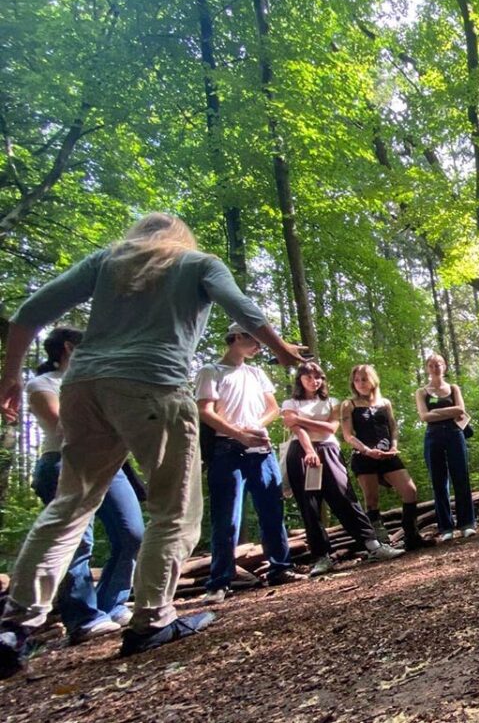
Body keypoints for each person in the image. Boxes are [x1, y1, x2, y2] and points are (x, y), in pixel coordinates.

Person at [0, 213, 306, 675]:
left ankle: (14, 625)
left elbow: (28, 314)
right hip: (152, 385)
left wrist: (10, 377)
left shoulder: (108, 262)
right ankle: (152, 620)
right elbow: (244, 309)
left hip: (83, 388)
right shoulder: (198, 262)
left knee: (70, 504)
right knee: (175, 509)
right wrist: (281, 350)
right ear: (182, 237)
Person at [24, 327, 144, 644]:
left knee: (132, 532)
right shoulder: (42, 384)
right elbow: (63, 427)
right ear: (68, 348)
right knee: (77, 541)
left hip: (111, 464)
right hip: (64, 463)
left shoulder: (99, 384)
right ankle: (82, 617)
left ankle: (112, 603)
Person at [196, 324, 302, 605]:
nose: (259, 347)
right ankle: (219, 582)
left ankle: (281, 567)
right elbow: (205, 411)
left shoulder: (256, 372)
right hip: (226, 451)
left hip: (261, 449)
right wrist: (238, 433)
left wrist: (255, 427)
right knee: (226, 517)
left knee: (271, 509)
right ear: (238, 337)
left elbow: (272, 408)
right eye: (256, 341)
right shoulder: (211, 371)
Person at [282, 362, 404, 576]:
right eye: (308, 377)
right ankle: (321, 557)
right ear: (300, 379)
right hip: (301, 453)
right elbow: (297, 430)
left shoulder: (332, 402)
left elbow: (331, 428)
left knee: (345, 497)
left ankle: (373, 545)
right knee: (309, 504)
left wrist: (300, 419)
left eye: (317, 377)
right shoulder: (289, 402)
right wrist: (309, 450)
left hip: (329, 450)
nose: (314, 381)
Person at [340, 364, 432, 549]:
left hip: (388, 455)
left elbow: (393, 427)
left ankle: (411, 535)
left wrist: (394, 445)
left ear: (373, 380)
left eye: (364, 379)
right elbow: (348, 435)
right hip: (364, 456)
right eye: (356, 380)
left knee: (410, 490)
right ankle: (381, 543)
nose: (360, 384)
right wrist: (367, 450)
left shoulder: (385, 403)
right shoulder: (348, 405)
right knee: (372, 499)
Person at [415, 354, 475, 541]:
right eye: (432, 365)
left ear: (445, 366)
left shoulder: (453, 388)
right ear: (427, 368)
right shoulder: (422, 392)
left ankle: (467, 523)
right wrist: (447, 412)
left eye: (439, 364)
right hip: (433, 436)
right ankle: (446, 527)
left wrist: (436, 412)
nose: (436, 367)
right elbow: (424, 417)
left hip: (454, 434)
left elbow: (460, 410)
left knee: (461, 477)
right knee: (439, 482)